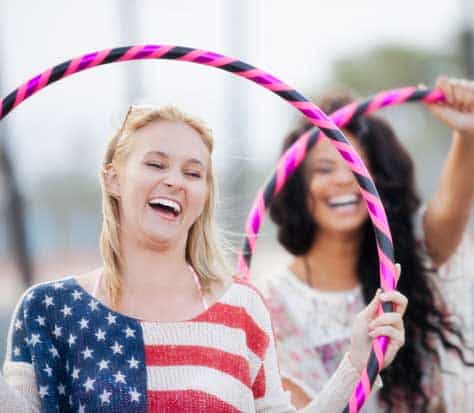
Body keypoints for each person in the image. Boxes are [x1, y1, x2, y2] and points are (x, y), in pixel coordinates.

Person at [1, 105, 408, 412]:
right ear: (113, 178)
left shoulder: (241, 308)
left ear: (204, 195)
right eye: (156, 164)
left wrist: (357, 363)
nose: (175, 181)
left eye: (193, 173)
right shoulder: (47, 310)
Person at [264, 77, 474, 412]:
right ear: (298, 187)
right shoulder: (274, 307)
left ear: (381, 180)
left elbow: (453, 208)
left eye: (359, 167)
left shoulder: (415, 256)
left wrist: (471, 134)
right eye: (324, 169)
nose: (343, 179)